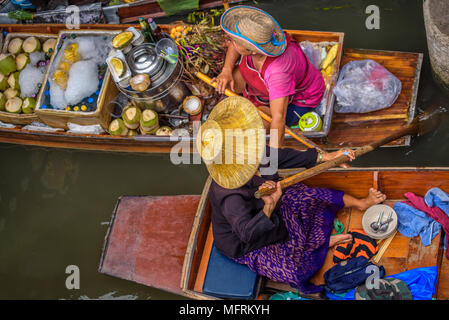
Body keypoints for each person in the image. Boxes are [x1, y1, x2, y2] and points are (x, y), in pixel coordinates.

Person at [209, 146, 387, 300]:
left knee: (309, 196)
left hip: (274, 209)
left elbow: (282, 156)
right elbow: (247, 233)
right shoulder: (229, 194)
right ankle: (323, 243)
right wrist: (268, 207)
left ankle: (361, 203)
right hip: (249, 241)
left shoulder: (252, 151)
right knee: (294, 271)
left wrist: (326, 156)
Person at [212, 6, 326, 147]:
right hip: (263, 86)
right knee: (229, 82)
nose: (232, 43)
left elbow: (279, 118)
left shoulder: (278, 72)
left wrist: (275, 157)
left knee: (258, 122)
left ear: (253, 51)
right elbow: (236, 44)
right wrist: (226, 70)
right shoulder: (262, 41)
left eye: (236, 42)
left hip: (299, 98)